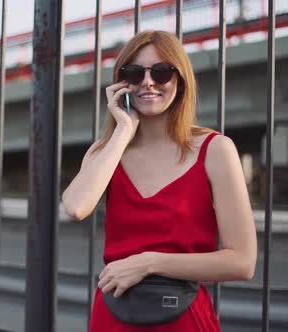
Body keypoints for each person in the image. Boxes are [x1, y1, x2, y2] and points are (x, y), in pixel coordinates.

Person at [62, 30, 257, 331]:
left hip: (182, 319)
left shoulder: (215, 149)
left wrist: (149, 263)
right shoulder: (108, 151)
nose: (148, 82)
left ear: (179, 81)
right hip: (113, 318)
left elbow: (242, 262)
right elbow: (75, 206)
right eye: (135, 73)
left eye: (162, 72)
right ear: (121, 82)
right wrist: (123, 132)